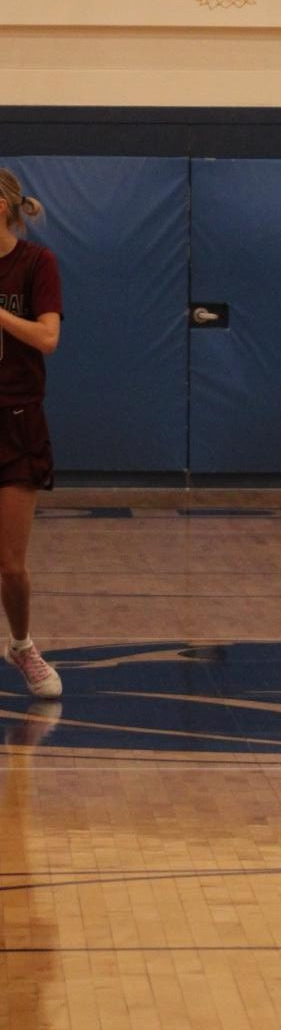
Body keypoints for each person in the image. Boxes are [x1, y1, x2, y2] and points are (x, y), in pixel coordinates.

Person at [0, 172, 63, 701]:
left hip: (16, 422)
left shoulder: (36, 263)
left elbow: (48, 337)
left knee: (11, 564)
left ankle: (21, 644)